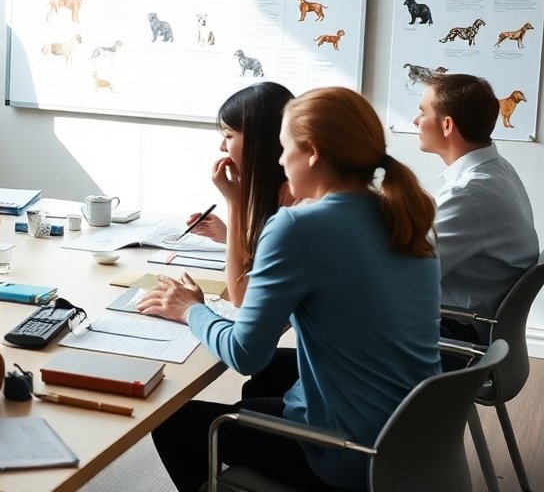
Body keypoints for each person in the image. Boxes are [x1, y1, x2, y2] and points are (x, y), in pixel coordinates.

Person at [139, 87, 440, 492]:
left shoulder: (298, 226)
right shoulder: (403, 216)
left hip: (349, 454)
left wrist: (190, 308)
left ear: (312, 152)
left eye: (284, 149)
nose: (280, 161)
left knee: (171, 421)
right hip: (413, 442)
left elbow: (246, 355)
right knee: (252, 403)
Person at [414, 73, 539, 345]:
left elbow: (403, 275)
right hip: (468, 323)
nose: (415, 121)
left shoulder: (468, 193)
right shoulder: (497, 170)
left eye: (422, 112)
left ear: (447, 126)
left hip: (453, 332)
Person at [184, 82, 295, 307]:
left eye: (228, 135)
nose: (222, 147)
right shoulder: (275, 188)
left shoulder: (296, 204)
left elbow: (243, 296)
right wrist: (229, 234)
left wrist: (234, 203)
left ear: (259, 140)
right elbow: (267, 256)